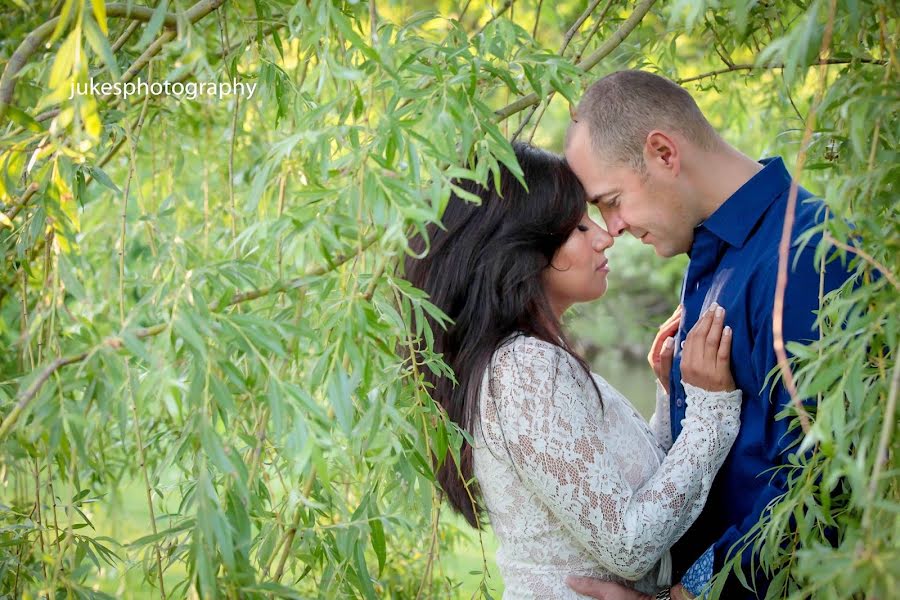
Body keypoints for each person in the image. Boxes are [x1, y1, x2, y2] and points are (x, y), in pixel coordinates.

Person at [563, 70, 856, 599]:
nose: (611, 228)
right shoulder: (714, 251)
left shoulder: (807, 255)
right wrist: (678, 396)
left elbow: (823, 485)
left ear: (663, 153)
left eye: (610, 200)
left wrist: (688, 595)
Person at [405, 142, 743, 599]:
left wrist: (672, 397)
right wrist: (710, 413)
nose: (605, 236)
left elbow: (628, 497)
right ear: (523, 249)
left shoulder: (526, 362)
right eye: (579, 227)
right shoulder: (524, 370)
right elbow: (629, 545)